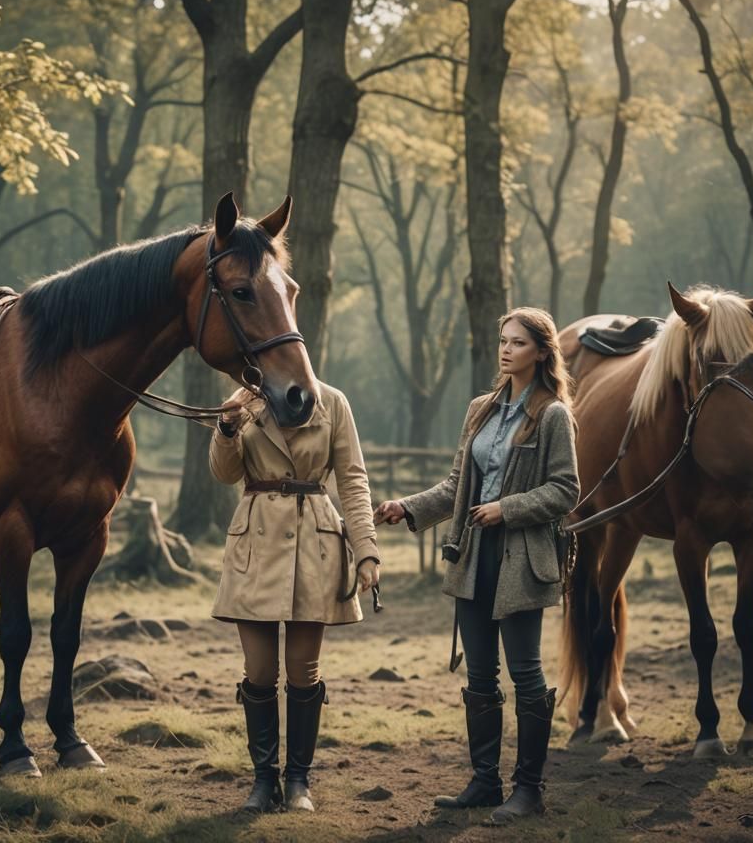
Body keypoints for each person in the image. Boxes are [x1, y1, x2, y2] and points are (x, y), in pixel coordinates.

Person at [374, 307, 578, 823]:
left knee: (526, 674)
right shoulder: (479, 410)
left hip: (521, 562)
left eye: (518, 343)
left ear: (541, 352)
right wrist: (409, 508)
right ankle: (485, 781)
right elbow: (454, 486)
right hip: (471, 558)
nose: (506, 350)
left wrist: (507, 508)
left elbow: (565, 491)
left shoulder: (553, 415)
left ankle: (528, 789)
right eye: (503, 340)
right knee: (481, 676)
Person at [210, 381, 380, 814]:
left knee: (304, 671)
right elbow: (224, 473)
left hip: (315, 543)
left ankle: (299, 781)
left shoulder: (332, 401)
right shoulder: (243, 398)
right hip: (255, 543)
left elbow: (354, 480)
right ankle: (263, 782)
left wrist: (366, 551)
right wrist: (227, 427)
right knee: (259, 671)